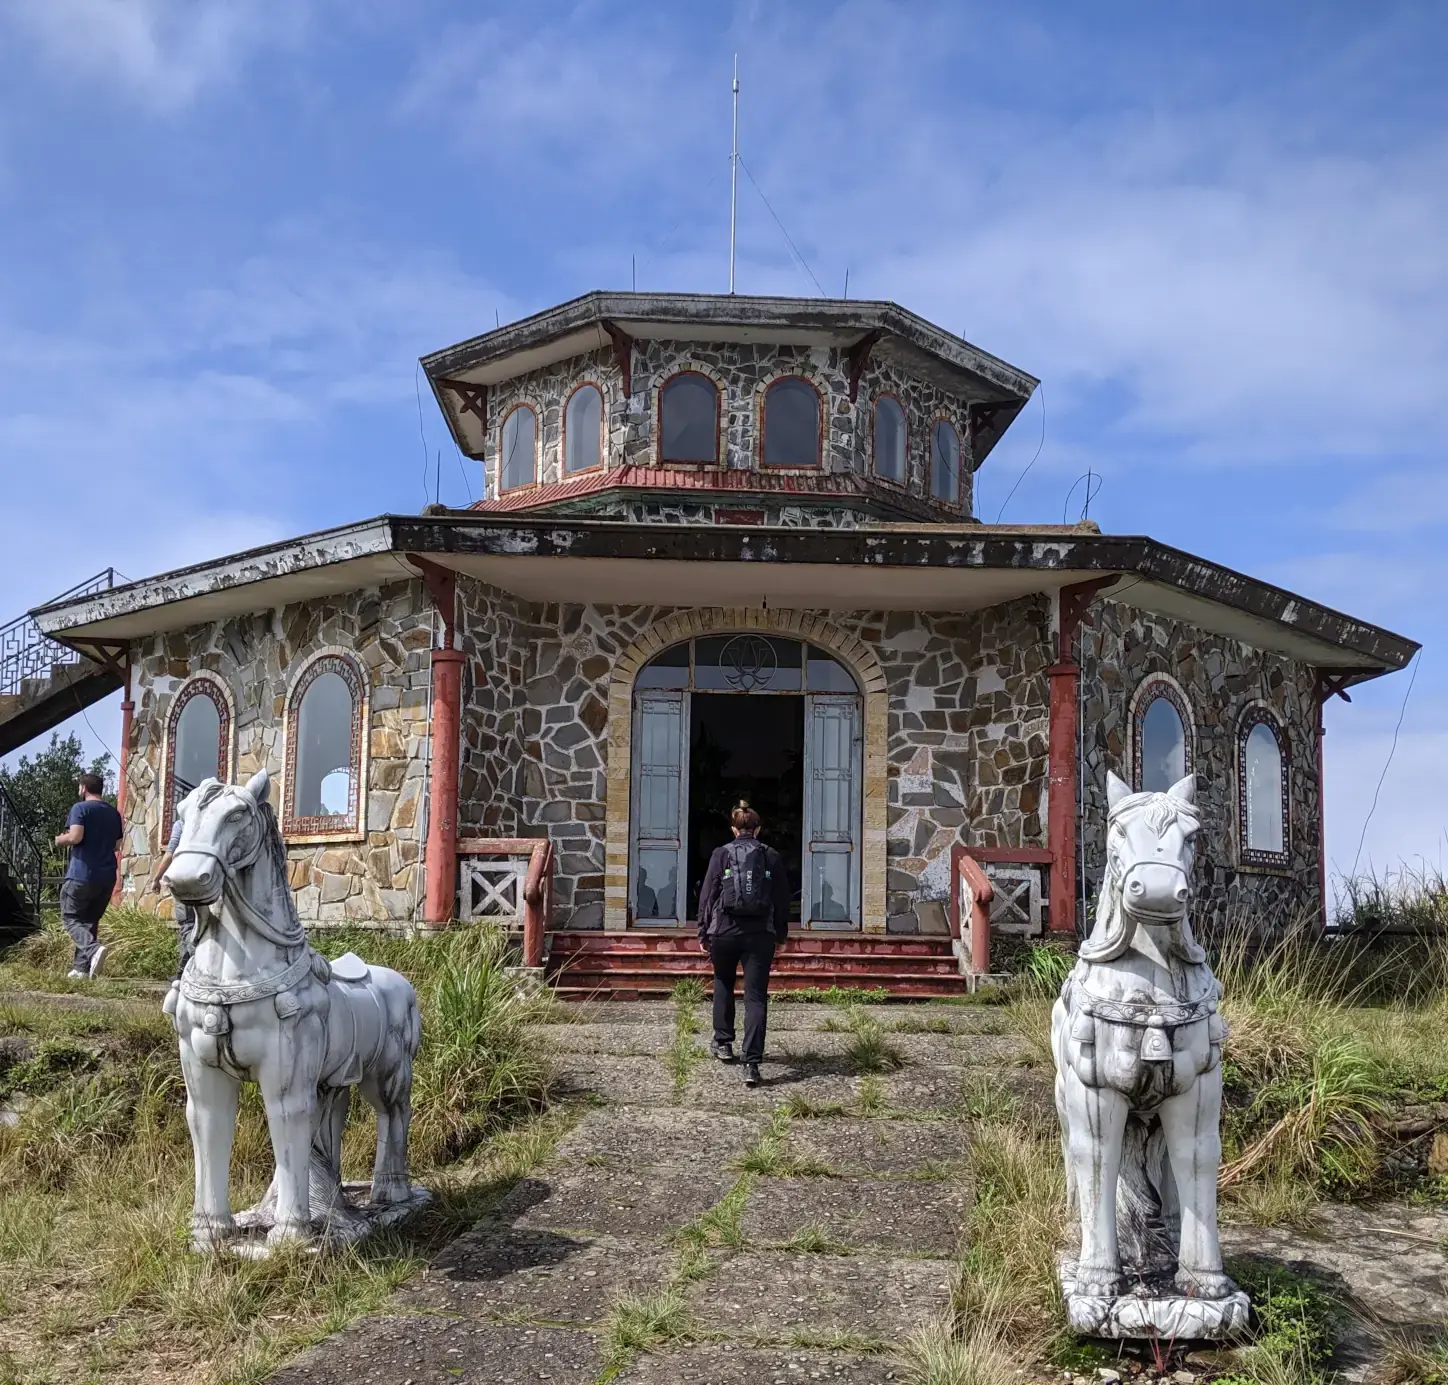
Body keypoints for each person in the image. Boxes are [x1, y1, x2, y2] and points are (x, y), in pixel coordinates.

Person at [696, 802, 791, 1088]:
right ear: (758, 829)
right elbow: (782, 899)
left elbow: (708, 895)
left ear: (734, 829)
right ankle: (752, 1064)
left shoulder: (721, 853)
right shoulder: (770, 855)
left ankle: (723, 1044)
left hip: (724, 932)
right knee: (755, 997)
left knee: (723, 983)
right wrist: (781, 936)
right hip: (759, 935)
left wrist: (703, 933)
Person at [54, 773, 123, 980]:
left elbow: (76, 836)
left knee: (71, 917)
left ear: (83, 788)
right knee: (89, 921)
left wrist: (60, 839)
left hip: (82, 874)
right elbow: (118, 845)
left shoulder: (80, 808)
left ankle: (93, 950)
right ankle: (81, 969)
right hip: (107, 875)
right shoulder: (114, 813)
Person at [148, 806, 195, 978]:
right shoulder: (206, 823)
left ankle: (194, 964)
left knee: (187, 925)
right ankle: (183, 973)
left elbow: (170, 854)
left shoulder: (181, 824)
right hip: (207, 881)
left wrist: (157, 878)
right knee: (199, 925)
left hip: (184, 880)